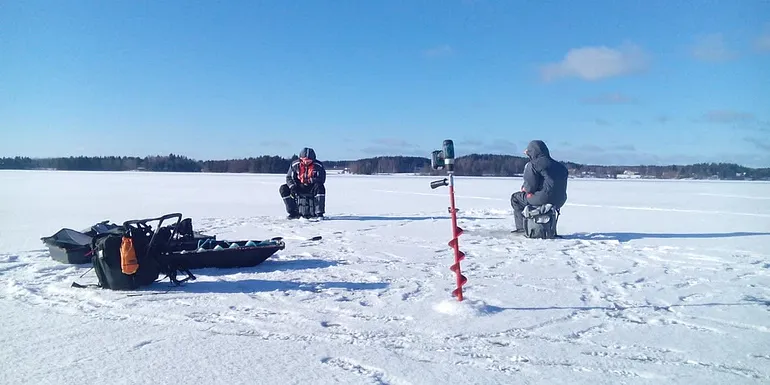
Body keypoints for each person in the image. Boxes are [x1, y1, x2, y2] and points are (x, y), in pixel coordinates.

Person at [510, 140, 568, 232]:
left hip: (543, 198)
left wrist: (526, 190)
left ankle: (522, 228)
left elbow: (530, 187)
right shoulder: (561, 166)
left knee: (516, 198)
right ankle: (548, 228)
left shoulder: (533, 164)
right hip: (560, 200)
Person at [279, 147, 326, 219]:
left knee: (320, 187)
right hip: (298, 186)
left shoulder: (318, 165)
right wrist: (292, 186)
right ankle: (293, 212)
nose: (307, 162)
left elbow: (321, 178)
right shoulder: (295, 165)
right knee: (283, 188)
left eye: (309, 160)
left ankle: (319, 213)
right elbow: (289, 177)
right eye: (305, 160)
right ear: (301, 158)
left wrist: (310, 180)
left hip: (312, 186)